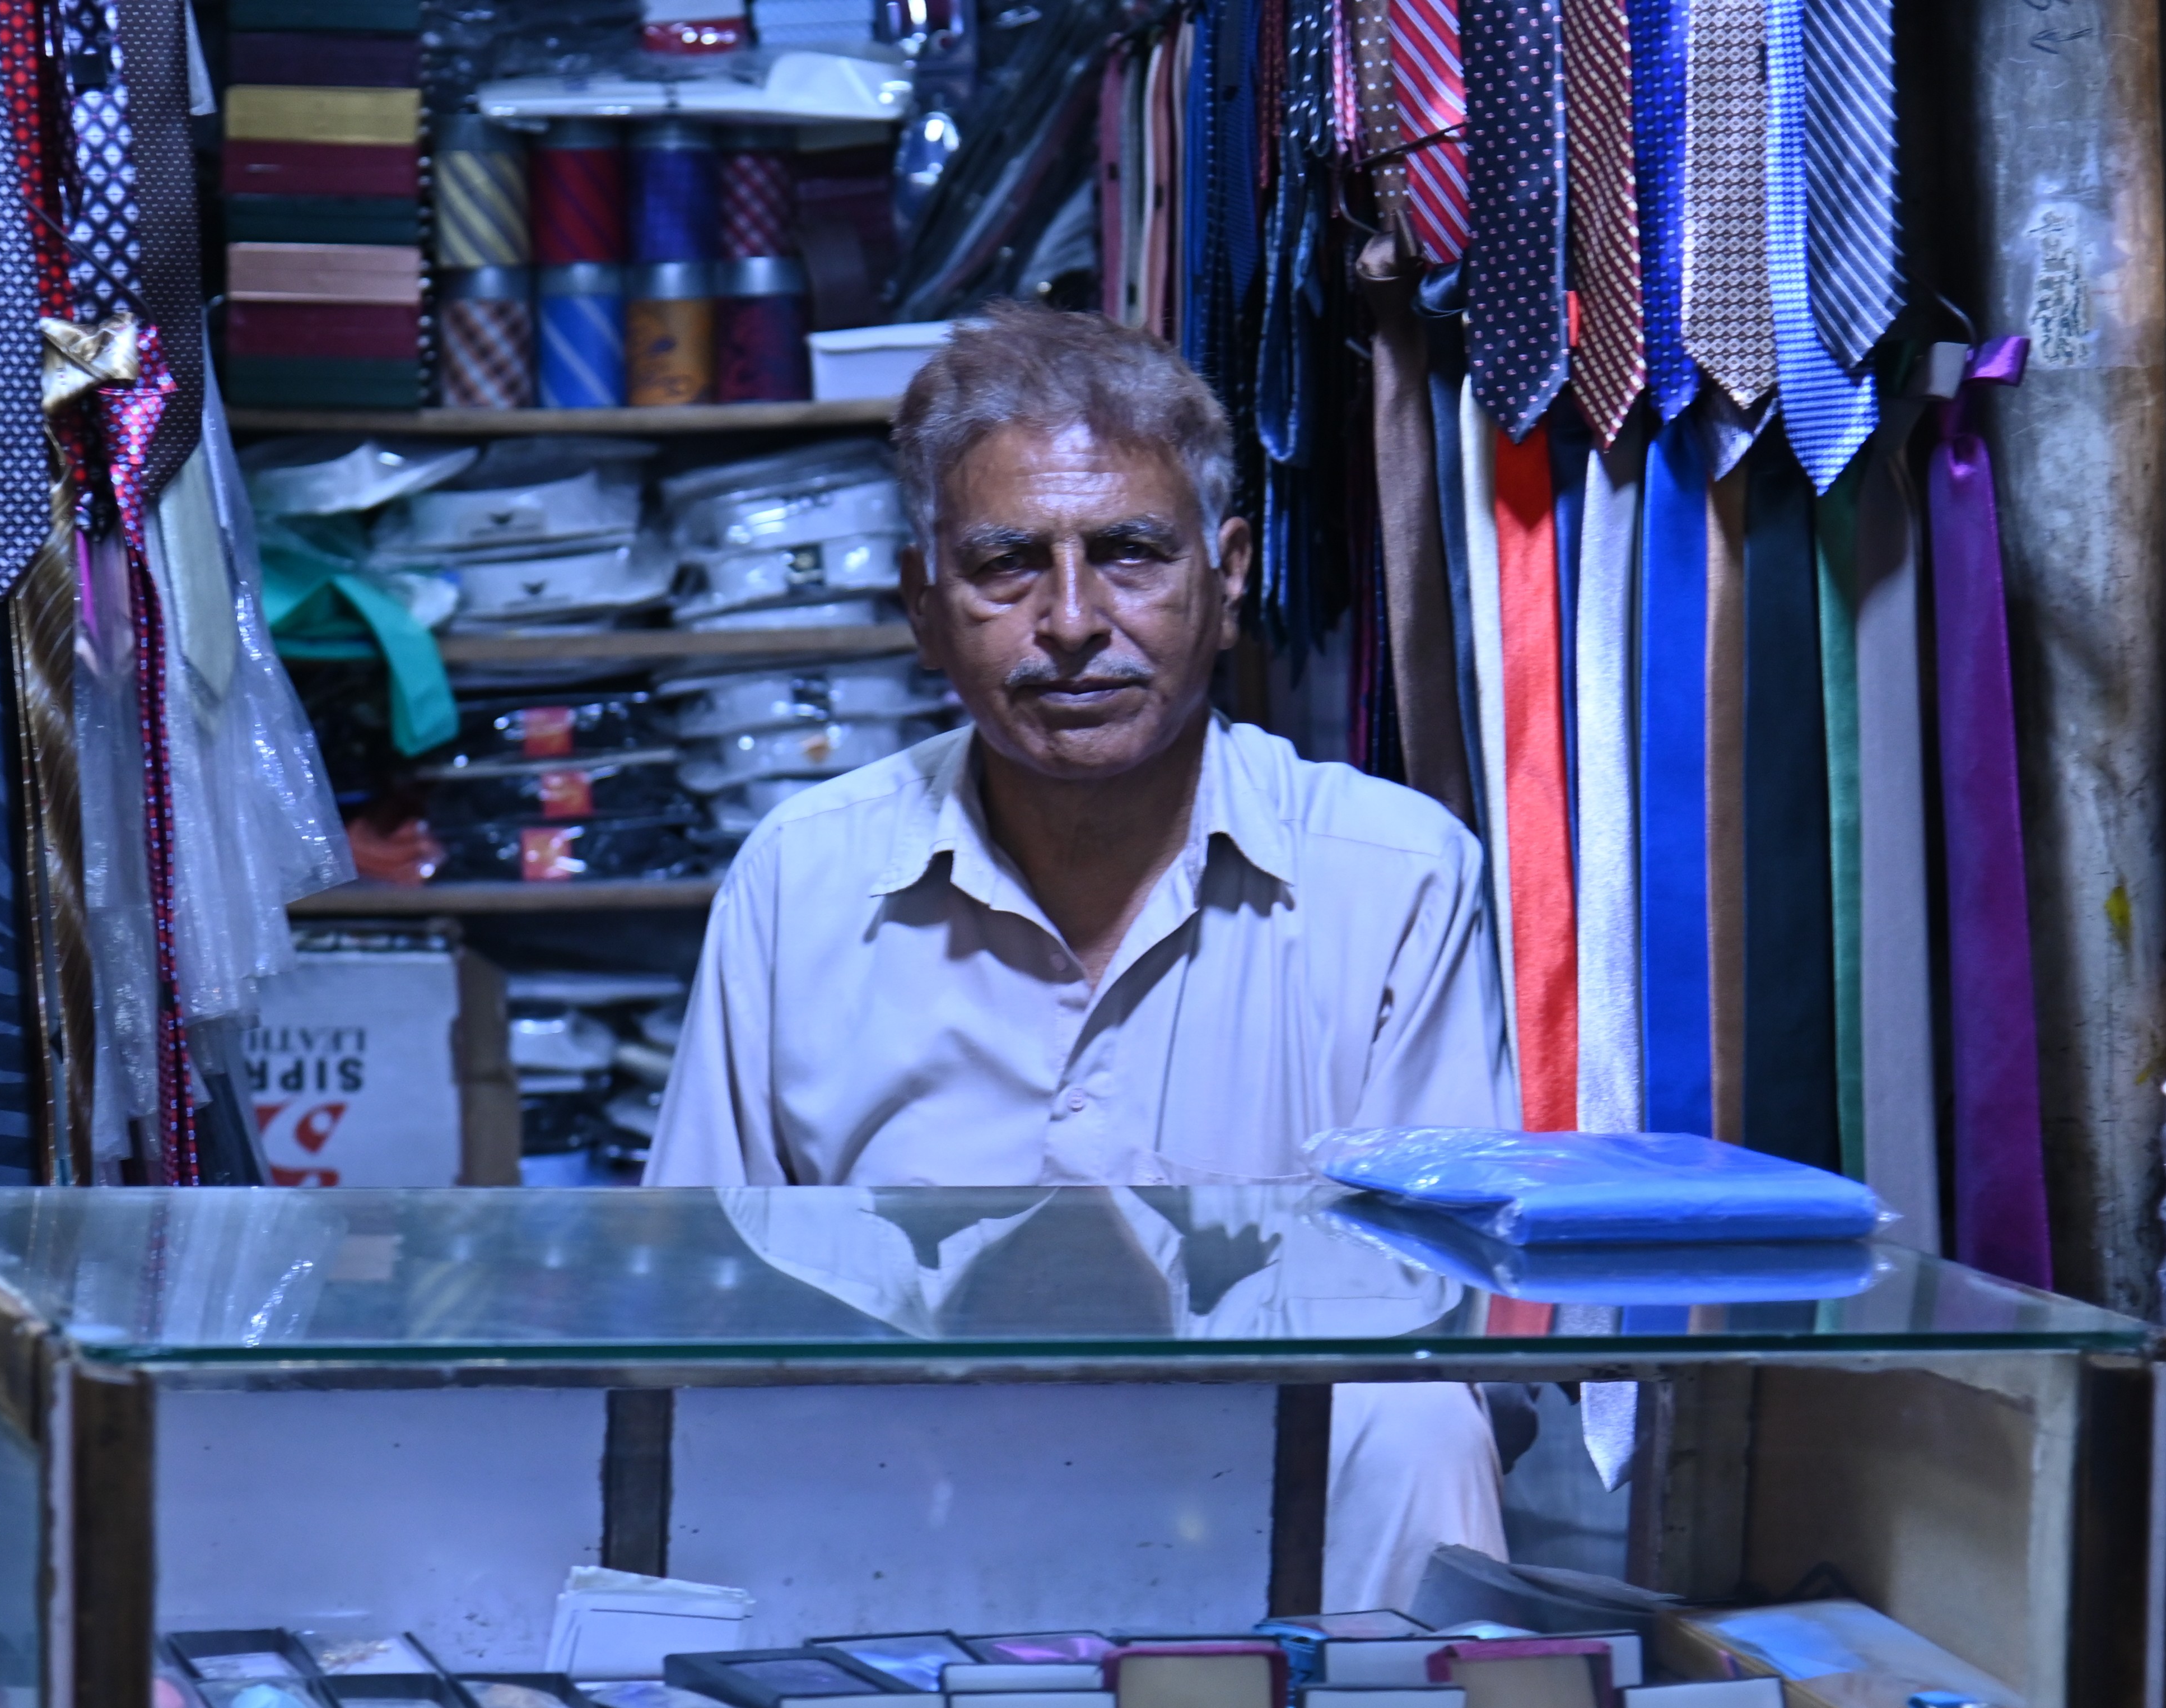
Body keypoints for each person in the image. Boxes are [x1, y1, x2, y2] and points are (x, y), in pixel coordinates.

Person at [645, 300, 1519, 1608]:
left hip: (1266, 1486)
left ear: (1226, 582)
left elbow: (1443, 1321)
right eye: (1008, 563)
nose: (1071, 620)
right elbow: (690, 1291)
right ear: (923, 608)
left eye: (1129, 555)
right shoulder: (805, 875)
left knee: (1417, 1421)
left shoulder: (1391, 876)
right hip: (892, 1488)